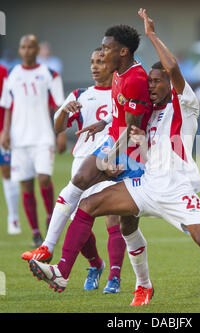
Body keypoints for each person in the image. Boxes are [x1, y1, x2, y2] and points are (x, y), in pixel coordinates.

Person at [28, 9, 200, 310]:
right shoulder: (149, 115)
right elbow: (142, 144)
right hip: (146, 185)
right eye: (149, 81)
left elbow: (173, 67)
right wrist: (124, 141)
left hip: (176, 189)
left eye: (157, 81)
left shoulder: (185, 103)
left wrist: (151, 35)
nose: (151, 86)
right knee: (89, 204)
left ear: (170, 83)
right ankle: (64, 273)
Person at [26, 23, 152, 281]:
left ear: (124, 51)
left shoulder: (135, 78)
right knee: (81, 196)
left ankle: (129, 279)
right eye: (98, 53)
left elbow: (133, 127)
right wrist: (103, 123)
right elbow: (118, 116)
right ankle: (52, 256)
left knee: (123, 224)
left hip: (129, 154)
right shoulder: (112, 77)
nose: (101, 57)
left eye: (106, 50)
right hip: (112, 145)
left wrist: (111, 157)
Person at [22, 48, 126, 293]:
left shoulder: (120, 93)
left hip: (110, 162)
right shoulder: (80, 94)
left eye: (100, 61)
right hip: (82, 163)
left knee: (114, 219)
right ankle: (95, 264)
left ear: (111, 64)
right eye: (92, 62)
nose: (94, 66)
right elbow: (58, 127)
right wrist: (65, 112)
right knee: (78, 221)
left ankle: (114, 277)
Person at [1, 35, 65, 247]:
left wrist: (61, 133)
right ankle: (35, 233)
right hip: (19, 139)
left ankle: (50, 219)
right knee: (26, 184)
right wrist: (6, 132)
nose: (27, 50)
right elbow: (8, 106)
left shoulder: (49, 74)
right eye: (23, 47)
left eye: (31, 47)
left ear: (37, 49)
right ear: (20, 50)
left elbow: (59, 106)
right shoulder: (12, 73)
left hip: (43, 137)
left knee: (44, 179)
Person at [0, 63, 20, 234]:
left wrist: (6, 130)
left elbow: (8, 103)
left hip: (2, 130)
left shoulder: (3, 72)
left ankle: (13, 217)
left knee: (7, 171)